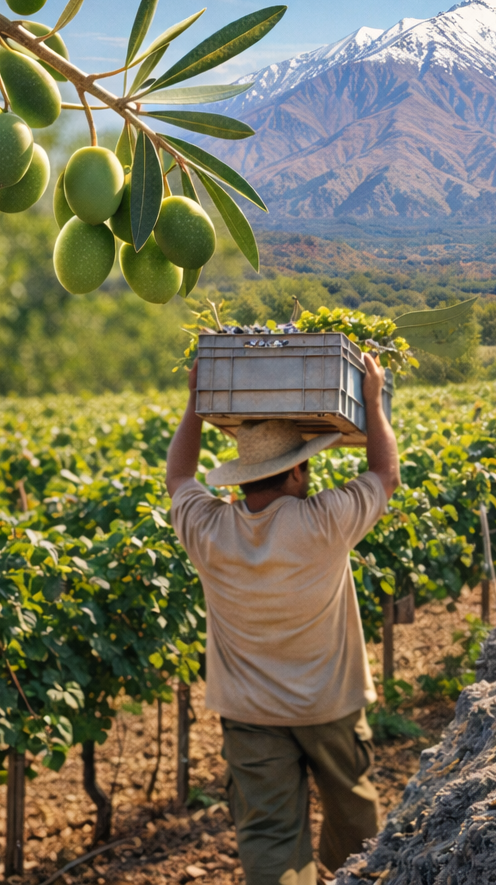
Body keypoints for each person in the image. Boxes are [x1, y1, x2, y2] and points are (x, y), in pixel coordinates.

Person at [165, 353, 401, 885]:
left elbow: (178, 476)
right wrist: (372, 401)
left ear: (243, 479)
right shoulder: (323, 522)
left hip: (249, 715)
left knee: (269, 834)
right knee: (355, 821)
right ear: (297, 471)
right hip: (329, 705)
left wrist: (194, 402)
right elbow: (385, 475)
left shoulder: (208, 530)